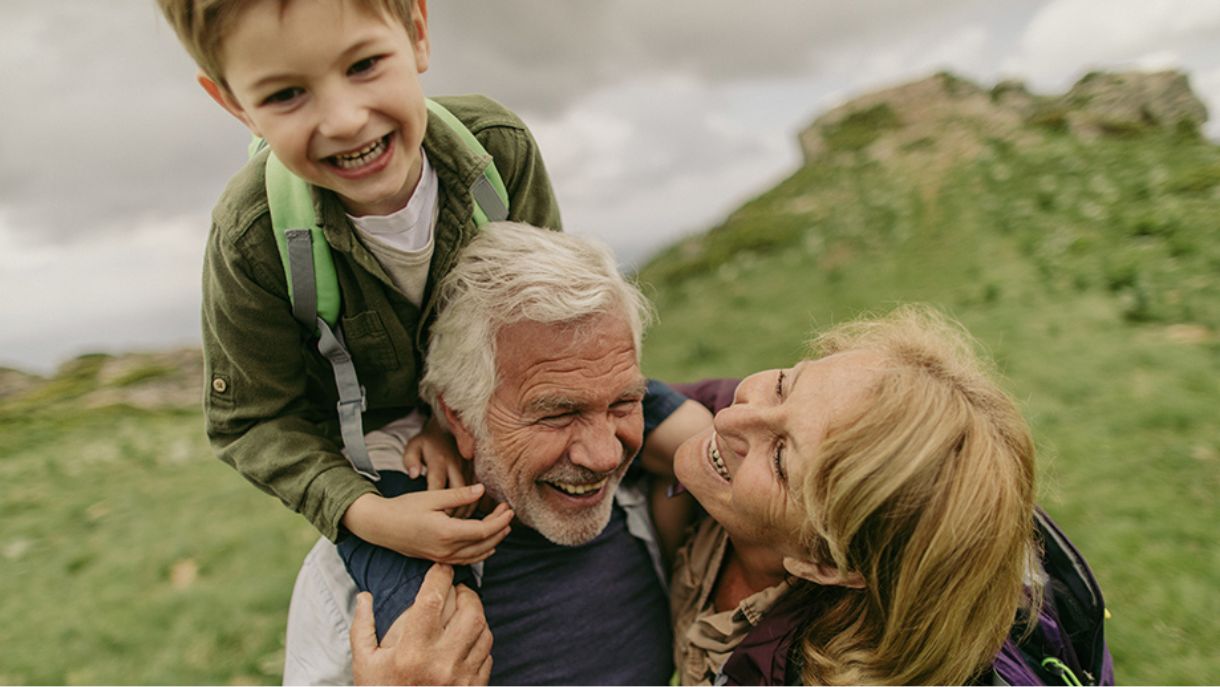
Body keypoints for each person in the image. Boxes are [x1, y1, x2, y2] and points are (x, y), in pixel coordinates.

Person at [154, 0, 562, 567]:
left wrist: (451, 422)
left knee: (668, 424)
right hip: (371, 456)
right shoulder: (251, 236)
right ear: (236, 106)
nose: (344, 120)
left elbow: (547, 323)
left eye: (364, 64)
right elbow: (251, 420)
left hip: (491, 406)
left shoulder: (497, 149)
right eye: (284, 95)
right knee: (425, 614)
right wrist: (368, 514)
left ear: (417, 33)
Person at [286, 223, 711, 685]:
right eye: (557, 414)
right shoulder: (351, 590)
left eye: (623, 403)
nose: (605, 456)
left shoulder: (662, 500)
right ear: (460, 418)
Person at [668, 306, 1043, 685]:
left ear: (828, 566)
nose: (727, 418)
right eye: (784, 385)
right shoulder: (758, 426)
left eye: (780, 458)